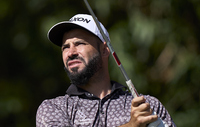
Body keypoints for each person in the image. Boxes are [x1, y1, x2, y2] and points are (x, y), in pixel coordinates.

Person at [36, 14, 176, 127]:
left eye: (79, 43)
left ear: (104, 50)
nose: (70, 52)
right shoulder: (54, 108)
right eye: (65, 47)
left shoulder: (147, 106)